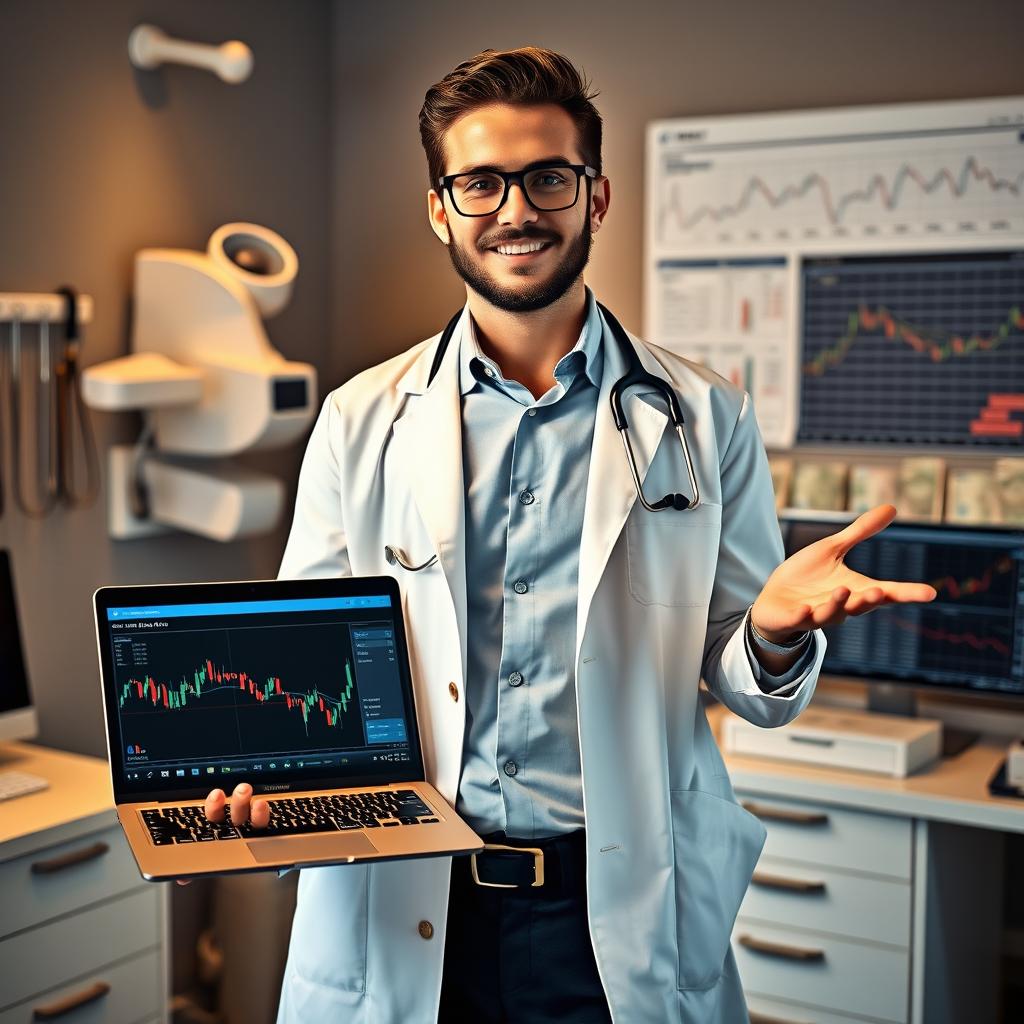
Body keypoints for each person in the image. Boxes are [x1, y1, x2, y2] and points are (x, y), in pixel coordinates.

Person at [184, 47, 937, 1023]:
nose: (514, 209)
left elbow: (747, 682)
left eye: (547, 177)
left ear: (596, 196)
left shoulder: (707, 417)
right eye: (479, 181)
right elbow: (305, 661)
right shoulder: (360, 417)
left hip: (604, 912)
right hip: (411, 894)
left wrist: (775, 631)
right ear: (438, 207)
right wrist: (266, 775)